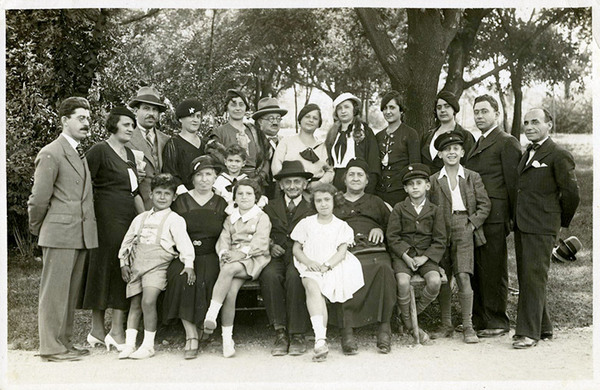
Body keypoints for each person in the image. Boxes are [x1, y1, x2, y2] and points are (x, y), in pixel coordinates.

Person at [28, 97, 98, 361]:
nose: (86, 123)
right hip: (59, 233)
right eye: (80, 118)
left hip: (78, 234)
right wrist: (39, 229)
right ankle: (51, 347)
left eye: (88, 118)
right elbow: (38, 199)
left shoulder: (78, 151)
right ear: (64, 120)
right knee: (54, 293)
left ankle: (64, 342)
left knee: (68, 293)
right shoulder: (51, 152)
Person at [512, 108, 579, 349]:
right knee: (528, 276)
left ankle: (528, 333)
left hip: (541, 225)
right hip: (523, 223)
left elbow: (572, 193)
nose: (529, 127)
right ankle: (543, 326)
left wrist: (557, 222)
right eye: (526, 123)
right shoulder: (528, 152)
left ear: (549, 124)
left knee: (533, 276)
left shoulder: (558, 154)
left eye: (535, 122)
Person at [79, 107, 145, 352]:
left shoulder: (128, 153)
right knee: (106, 267)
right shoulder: (99, 150)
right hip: (105, 217)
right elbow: (82, 183)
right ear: (113, 124)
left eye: (132, 125)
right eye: (126, 124)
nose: (130, 128)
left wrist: (145, 218)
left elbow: (135, 190)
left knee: (121, 267)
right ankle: (104, 330)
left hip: (127, 215)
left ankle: (109, 330)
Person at [118, 174, 195, 359]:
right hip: (137, 265)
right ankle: (129, 345)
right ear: (151, 194)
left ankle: (148, 345)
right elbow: (127, 241)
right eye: (158, 193)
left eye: (167, 194)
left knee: (148, 301)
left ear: (174, 197)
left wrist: (189, 264)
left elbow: (184, 243)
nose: (162, 197)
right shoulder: (140, 218)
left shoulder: (175, 219)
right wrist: (123, 262)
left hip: (158, 266)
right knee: (135, 304)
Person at [465, 94, 521, 338]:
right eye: (476, 112)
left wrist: (510, 218)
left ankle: (497, 320)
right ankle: (479, 319)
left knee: (493, 267)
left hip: (496, 215)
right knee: (478, 267)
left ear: (496, 114)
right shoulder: (478, 142)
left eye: (484, 111)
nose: (479, 116)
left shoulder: (506, 142)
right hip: (478, 214)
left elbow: (513, 184)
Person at [162, 155, 228, 359]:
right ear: (192, 178)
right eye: (199, 175)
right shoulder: (181, 201)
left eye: (208, 174)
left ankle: (204, 327)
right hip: (184, 255)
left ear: (215, 177)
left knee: (207, 278)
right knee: (182, 278)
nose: (204, 179)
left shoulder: (221, 202)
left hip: (210, 253)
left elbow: (227, 232)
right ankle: (191, 334)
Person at [428, 132, 491, 344]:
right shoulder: (433, 181)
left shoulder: (472, 177)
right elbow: (428, 209)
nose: (451, 152)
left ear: (462, 152)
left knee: (464, 275)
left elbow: (485, 205)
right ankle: (446, 323)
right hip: (440, 231)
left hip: (464, 227)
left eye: (455, 148)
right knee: (444, 276)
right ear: (440, 154)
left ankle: (468, 326)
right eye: (446, 149)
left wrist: (471, 225)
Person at [291, 183, 365, 362]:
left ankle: (320, 340)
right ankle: (320, 340)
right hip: (310, 264)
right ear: (313, 203)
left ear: (334, 201)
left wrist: (328, 265)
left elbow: (341, 251)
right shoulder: (306, 223)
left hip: (334, 264)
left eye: (327, 200)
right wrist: (309, 262)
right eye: (318, 201)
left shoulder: (342, 226)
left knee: (323, 291)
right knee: (312, 287)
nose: (323, 204)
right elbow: (296, 248)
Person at [331, 158, 396, 354]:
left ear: (367, 181)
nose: (356, 178)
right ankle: (347, 330)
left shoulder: (375, 201)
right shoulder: (335, 201)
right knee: (343, 269)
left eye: (360, 175)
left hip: (373, 248)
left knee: (384, 268)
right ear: (344, 179)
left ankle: (384, 327)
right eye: (351, 174)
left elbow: (393, 226)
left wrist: (380, 229)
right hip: (345, 249)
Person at [202, 179, 272, 358]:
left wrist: (239, 254)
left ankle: (212, 312)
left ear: (256, 197)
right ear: (234, 197)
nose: (244, 197)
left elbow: (261, 242)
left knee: (228, 270)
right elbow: (224, 239)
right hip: (233, 261)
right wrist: (225, 252)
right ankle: (227, 340)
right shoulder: (230, 218)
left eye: (249, 193)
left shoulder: (261, 217)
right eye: (240, 194)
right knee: (230, 293)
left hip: (254, 258)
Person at [387, 163, 447, 344]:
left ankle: (410, 314)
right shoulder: (399, 208)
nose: (415, 187)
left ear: (427, 186)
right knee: (403, 282)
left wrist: (425, 258)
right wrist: (405, 255)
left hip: (426, 256)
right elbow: (392, 236)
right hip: (403, 256)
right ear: (405, 188)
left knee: (435, 281)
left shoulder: (435, 210)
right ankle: (410, 324)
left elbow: (440, 239)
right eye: (410, 184)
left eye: (419, 183)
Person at [260, 160, 315, 356]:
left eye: (297, 182)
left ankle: (297, 333)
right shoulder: (270, 207)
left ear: (304, 184)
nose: (292, 186)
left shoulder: (311, 208)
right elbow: (261, 231)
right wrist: (270, 245)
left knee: (295, 276)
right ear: (281, 185)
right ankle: (280, 331)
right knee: (269, 275)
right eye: (288, 182)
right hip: (275, 255)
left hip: (300, 256)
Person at [210, 89, 269, 188]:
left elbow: (265, 158)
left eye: (241, 105)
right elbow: (214, 162)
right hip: (229, 184)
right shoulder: (219, 132)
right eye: (233, 105)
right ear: (227, 108)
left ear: (246, 108)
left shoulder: (255, 131)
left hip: (255, 183)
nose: (238, 108)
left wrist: (259, 178)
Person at [325, 92, 380, 193]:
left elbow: (373, 162)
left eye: (347, 107)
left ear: (354, 110)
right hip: (336, 183)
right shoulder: (332, 133)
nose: (343, 111)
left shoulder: (365, 131)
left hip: (357, 181)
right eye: (339, 108)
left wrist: (369, 190)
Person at [272, 103, 334, 192]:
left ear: (319, 124)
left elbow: (330, 171)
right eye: (307, 117)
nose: (311, 120)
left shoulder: (323, 146)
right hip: (290, 190)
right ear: (300, 119)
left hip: (314, 192)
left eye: (315, 118)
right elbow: (276, 167)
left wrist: (320, 183)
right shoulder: (286, 142)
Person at [126, 86, 170, 210]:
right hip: (136, 208)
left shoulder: (166, 140)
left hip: (164, 207)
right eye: (146, 108)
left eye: (155, 110)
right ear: (135, 111)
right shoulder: (126, 139)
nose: (151, 113)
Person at [376, 91, 421, 206]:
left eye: (392, 107)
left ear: (401, 110)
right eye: (385, 108)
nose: (388, 112)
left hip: (401, 194)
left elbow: (415, 166)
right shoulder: (378, 136)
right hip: (380, 194)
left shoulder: (410, 134)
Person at [421, 91, 475, 174]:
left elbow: (470, 167)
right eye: (439, 107)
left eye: (447, 106)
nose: (442, 110)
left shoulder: (465, 136)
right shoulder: (427, 136)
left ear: (454, 109)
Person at [162, 99, 205, 194]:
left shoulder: (205, 144)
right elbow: (170, 174)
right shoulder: (174, 144)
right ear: (180, 119)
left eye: (198, 116)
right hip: (183, 200)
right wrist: (187, 196)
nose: (195, 120)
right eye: (191, 116)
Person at [213, 145, 268, 211]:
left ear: (243, 163)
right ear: (225, 162)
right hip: (222, 209)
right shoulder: (220, 179)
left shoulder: (246, 179)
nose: (233, 164)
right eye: (230, 161)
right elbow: (216, 198)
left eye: (237, 161)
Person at [252, 97, 288, 199]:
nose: (275, 122)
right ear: (260, 122)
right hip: (259, 191)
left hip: (281, 192)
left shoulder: (285, 142)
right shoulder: (254, 141)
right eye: (271, 118)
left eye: (278, 118)